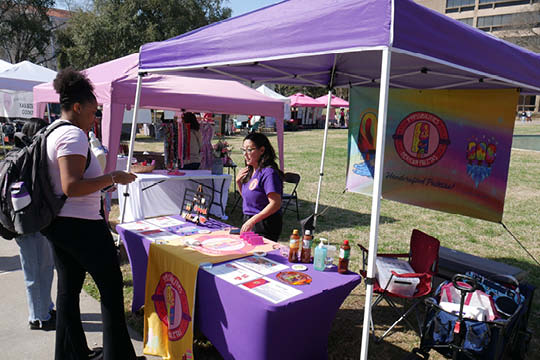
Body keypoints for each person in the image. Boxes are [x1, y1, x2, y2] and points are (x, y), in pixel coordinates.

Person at [44, 68, 144, 360]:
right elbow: (72, 186)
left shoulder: (51, 130)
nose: (95, 118)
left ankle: (70, 354)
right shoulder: (73, 136)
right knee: (111, 289)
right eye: (92, 112)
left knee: (68, 291)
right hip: (82, 227)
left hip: (59, 224)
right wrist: (112, 177)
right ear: (77, 107)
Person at [13, 118, 56, 331]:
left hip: (30, 222)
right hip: (30, 223)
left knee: (43, 268)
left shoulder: (24, 155)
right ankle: (38, 317)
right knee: (36, 270)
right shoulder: (28, 158)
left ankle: (45, 307)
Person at [236, 133, 283, 241]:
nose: (245, 154)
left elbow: (276, 203)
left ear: (262, 150)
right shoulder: (250, 170)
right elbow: (249, 199)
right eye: (243, 150)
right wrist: (239, 183)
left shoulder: (269, 173)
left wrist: (253, 220)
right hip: (250, 219)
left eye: (249, 150)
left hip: (265, 223)